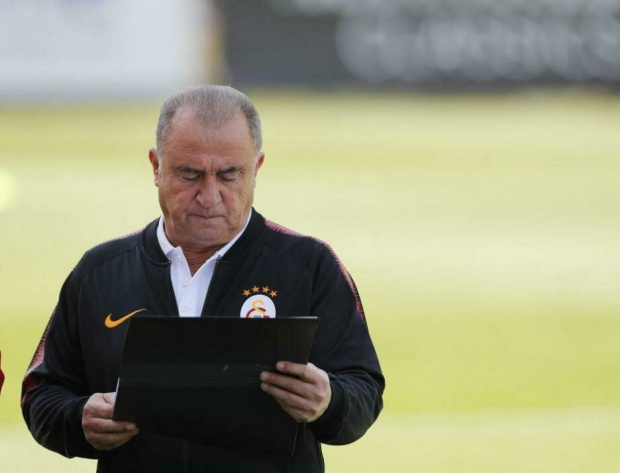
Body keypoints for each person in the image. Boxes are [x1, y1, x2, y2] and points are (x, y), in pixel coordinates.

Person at [21, 85, 384, 472]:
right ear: (156, 167)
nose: (209, 196)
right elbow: (42, 394)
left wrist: (330, 401)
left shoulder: (311, 266)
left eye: (229, 175)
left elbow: (363, 391)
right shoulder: (100, 271)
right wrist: (79, 419)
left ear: (257, 169)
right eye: (190, 174)